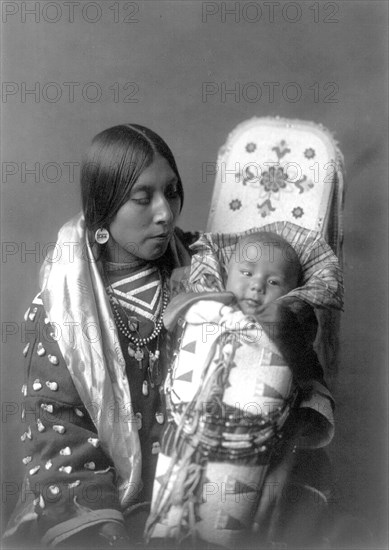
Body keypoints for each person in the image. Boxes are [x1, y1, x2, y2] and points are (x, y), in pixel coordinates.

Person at [3, 124, 198, 548]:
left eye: (173, 191)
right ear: (104, 206)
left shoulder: (205, 271)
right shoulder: (61, 310)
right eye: (143, 199)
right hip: (105, 504)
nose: (165, 213)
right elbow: (58, 431)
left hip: (195, 494)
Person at [145, 231, 337, 548]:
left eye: (273, 282)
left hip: (250, 452)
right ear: (226, 273)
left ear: (293, 291)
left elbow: (310, 385)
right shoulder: (203, 312)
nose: (257, 285)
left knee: (225, 522)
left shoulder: (289, 332)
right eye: (246, 273)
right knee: (168, 516)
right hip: (183, 438)